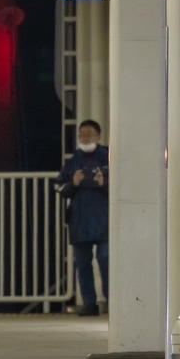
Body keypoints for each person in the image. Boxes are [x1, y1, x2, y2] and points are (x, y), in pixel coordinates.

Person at [57, 119, 109, 316]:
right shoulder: (73, 161)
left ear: (98, 136)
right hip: (79, 222)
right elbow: (59, 188)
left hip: (104, 219)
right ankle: (90, 303)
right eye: (82, 135)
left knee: (105, 259)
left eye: (89, 134)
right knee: (82, 263)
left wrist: (104, 183)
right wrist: (74, 183)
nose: (85, 138)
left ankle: (111, 299)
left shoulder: (108, 157)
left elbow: (122, 185)